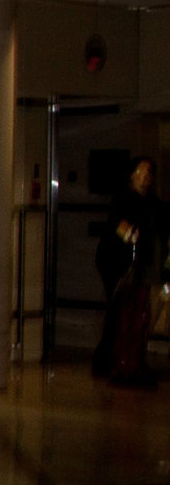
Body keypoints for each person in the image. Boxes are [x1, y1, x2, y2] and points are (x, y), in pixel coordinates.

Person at [92, 155, 163, 385]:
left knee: (135, 313)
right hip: (116, 262)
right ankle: (112, 361)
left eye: (149, 174)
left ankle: (128, 361)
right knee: (119, 310)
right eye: (141, 173)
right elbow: (118, 224)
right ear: (132, 175)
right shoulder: (123, 198)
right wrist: (130, 235)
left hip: (136, 264)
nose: (145, 178)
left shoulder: (152, 202)